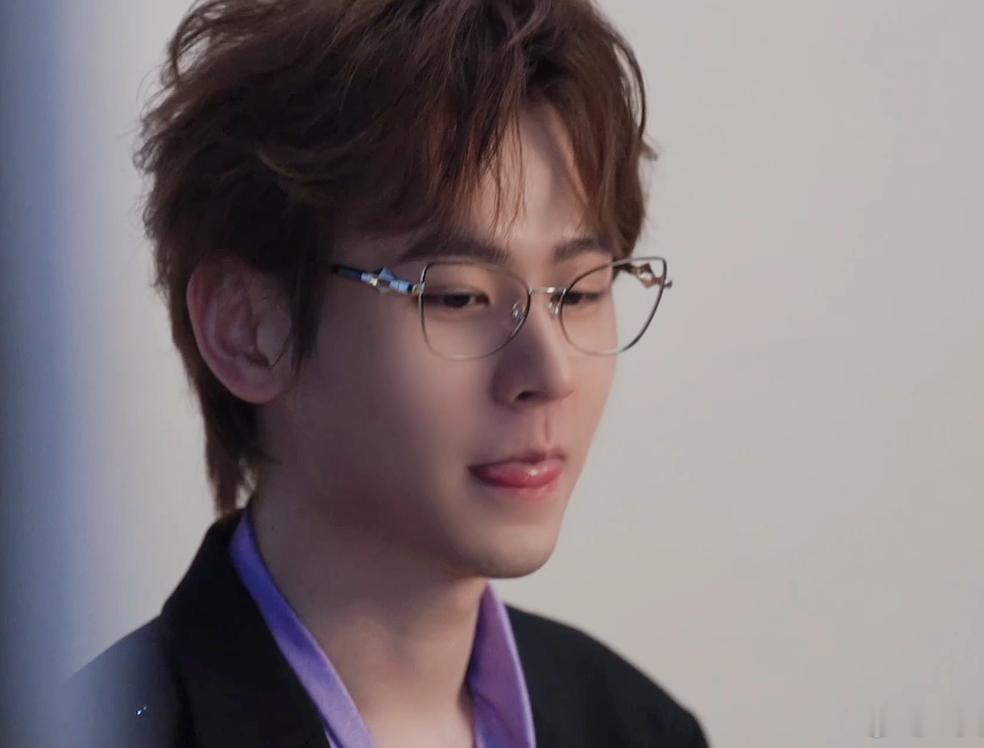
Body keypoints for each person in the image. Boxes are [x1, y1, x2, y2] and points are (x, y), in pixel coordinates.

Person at [64, 0, 708, 745]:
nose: (550, 371)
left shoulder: (642, 729)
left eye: (580, 292)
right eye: (458, 296)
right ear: (248, 331)